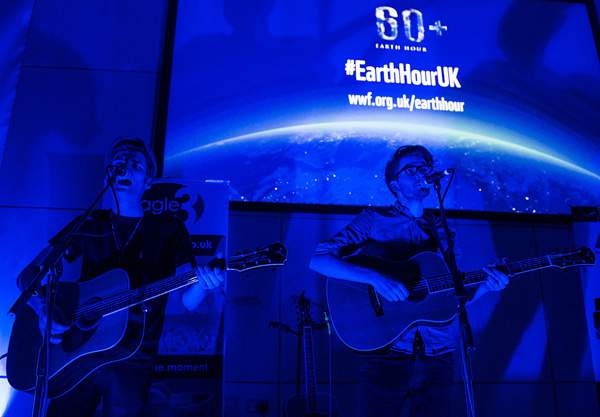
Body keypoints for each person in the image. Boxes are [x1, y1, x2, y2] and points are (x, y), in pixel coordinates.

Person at [16, 137, 224, 417]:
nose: (125, 168)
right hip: (79, 349)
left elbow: (188, 300)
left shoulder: (168, 229)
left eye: (135, 165)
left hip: (133, 356)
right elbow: (28, 275)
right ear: (108, 174)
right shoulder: (88, 225)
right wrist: (43, 310)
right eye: (119, 162)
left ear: (148, 181)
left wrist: (205, 285)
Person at [309, 145, 509, 417]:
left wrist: (486, 286)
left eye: (425, 167)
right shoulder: (374, 219)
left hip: (438, 352)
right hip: (387, 350)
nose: (421, 173)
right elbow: (319, 260)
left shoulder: (440, 229)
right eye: (412, 169)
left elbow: (450, 296)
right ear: (395, 184)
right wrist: (377, 279)